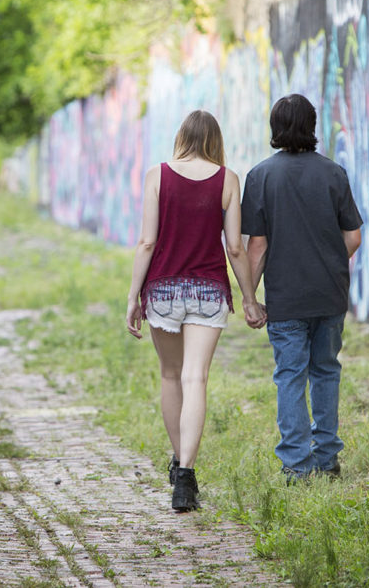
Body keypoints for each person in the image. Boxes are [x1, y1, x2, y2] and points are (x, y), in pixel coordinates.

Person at [126, 110, 265, 512]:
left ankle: (179, 464)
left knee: (171, 376)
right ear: (215, 140)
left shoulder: (158, 175)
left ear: (181, 136)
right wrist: (250, 298)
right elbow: (235, 247)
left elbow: (147, 243)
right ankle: (185, 474)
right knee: (196, 378)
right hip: (208, 290)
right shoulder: (228, 179)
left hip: (163, 289)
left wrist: (134, 296)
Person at [240, 93, 363, 484]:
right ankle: (327, 459)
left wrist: (250, 297)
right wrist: (328, 260)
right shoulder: (334, 173)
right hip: (329, 295)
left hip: (286, 299)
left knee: (290, 375)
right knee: (326, 371)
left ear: (275, 128)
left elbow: (256, 246)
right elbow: (354, 237)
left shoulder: (261, 176)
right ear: (311, 127)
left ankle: (296, 463)